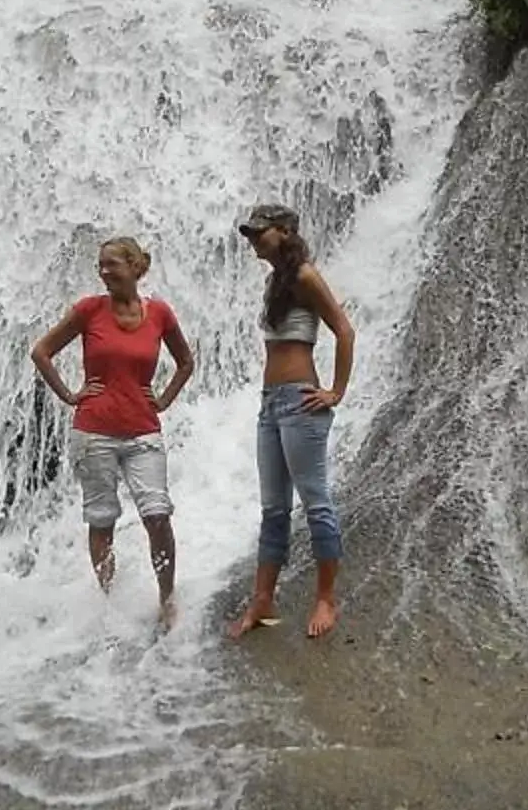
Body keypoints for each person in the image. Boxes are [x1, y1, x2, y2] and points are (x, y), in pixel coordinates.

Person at [31, 237, 194, 626]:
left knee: (158, 516)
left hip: (143, 431)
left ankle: (167, 598)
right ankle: (108, 600)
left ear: (135, 267)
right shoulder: (89, 310)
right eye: (100, 265)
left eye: (112, 265)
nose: (104, 272)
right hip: (94, 432)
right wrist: (71, 395)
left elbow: (186, 362)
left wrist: (165, 399)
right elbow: (41, 351)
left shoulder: (160, 314)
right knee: (101, 519)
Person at [226, 203, 355, 644]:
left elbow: (344, 329)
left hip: (301, 401)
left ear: (285, 231)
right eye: (250, 234)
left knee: (315, 502)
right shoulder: (276, 281)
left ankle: (325, 599)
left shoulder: (304, 276)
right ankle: (262, 601)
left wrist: (336, 391)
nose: (254, 240)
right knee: (273, 507)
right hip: (270, 404)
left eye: (261, 233)